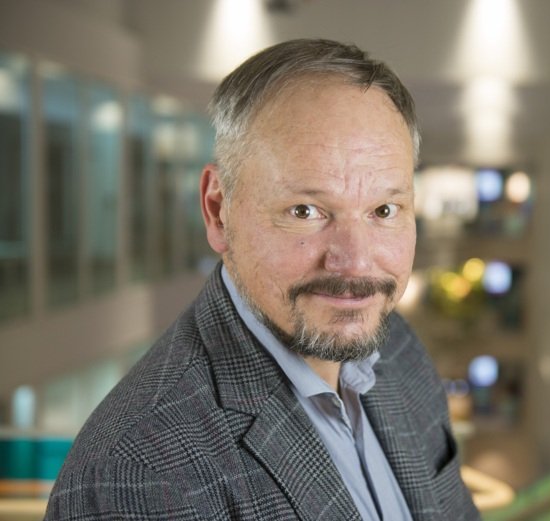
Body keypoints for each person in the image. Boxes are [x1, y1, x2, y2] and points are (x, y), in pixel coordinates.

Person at [45, 38, 480, 521]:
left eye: (384, 209)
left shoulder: (398, 349)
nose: (356, 264)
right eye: (306, 210)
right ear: (217, 210)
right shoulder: (136, 475)